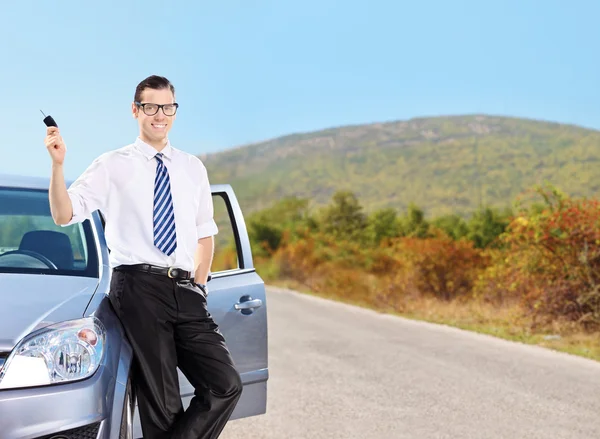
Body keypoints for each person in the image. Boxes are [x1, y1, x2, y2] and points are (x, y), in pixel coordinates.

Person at [44, 75, 243, 438]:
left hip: (186, 290)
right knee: (163, 405)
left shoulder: (192, 167)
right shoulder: (112, 164)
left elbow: (204, 233)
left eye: (167, 107)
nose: (159, 115)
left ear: (174, 112)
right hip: (138, 288)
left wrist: (200, 283)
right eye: (150, 107)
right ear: (135, 111)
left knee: (225, 383)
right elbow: (63, 214)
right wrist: (58, 166)